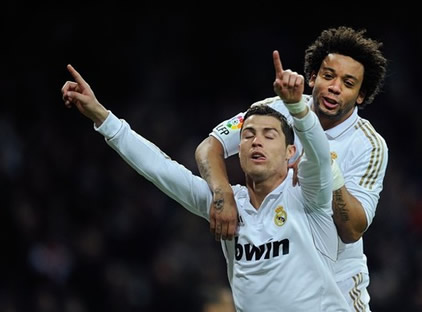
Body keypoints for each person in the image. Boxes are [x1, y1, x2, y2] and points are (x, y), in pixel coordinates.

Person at [61, 51, 350, 311]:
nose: (255, 142)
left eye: (268, 135)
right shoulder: (228, 205)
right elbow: (161, 169)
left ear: (290, 152)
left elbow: (320, 155)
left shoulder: (308, 194)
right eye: (248, 135)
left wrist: (298, 107)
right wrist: (101, 116)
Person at [195, 26, 388, 311]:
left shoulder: (369, 145)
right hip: (282, 276)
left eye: (348, 83)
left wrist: (326, 170)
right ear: (312, 77)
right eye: (328, 76)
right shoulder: (275, 109)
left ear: (361, 95)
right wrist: (223, 192)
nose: (335, 87)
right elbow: (209, 148)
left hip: (338, 287)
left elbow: (353, 229)